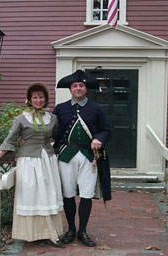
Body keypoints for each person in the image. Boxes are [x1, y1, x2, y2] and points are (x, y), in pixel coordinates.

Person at [0, 82, 65, 248]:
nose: (38, 100)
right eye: (35, 97)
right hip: (29, 161)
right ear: (29, 100)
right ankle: (33, 234)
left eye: (41, 97)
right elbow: (10, 140)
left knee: (48, 194)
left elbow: (58, 137)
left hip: (48, 160)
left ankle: (48, 233)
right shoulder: (21, 119)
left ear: (45, 99)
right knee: (32, 195)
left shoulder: (53, 118)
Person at [53, 70, 112, 247]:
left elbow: (106, 130)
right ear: (70, 89)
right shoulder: (61, 108)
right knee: (68, 193)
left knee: (86, 194)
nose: (78, 88)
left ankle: (83, 231)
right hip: (66, 155)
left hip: (89, 157)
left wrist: (98, 138)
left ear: (86, 89)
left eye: (81, 86)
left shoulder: (96, 109)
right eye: (75, 86)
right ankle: (71, 229)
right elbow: (52, 130)